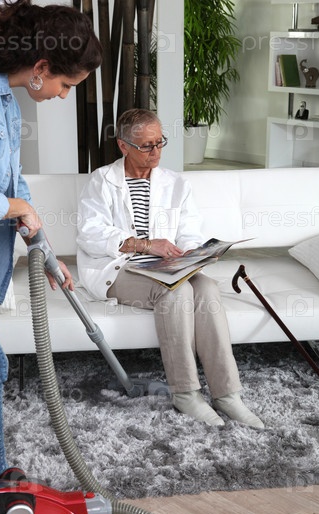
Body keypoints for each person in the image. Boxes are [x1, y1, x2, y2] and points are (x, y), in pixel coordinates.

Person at [0, 0, 102, 477]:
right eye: (67, 85)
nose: (64, 96)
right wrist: (21, 209)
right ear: (41, 68)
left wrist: (47, 255)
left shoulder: (2, 96)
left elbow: (13, 186)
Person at [77, 108, 264, 429]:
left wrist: (193, 252)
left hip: (165, 266)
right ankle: (186, 392)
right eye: (146, 146)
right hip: (119, 268)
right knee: (174, 292)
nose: (156, 152)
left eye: (160, 142)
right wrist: (145, 245)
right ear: (123, 146)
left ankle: (226, 393)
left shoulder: (175, 183)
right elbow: (90, 234)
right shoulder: (101, 181)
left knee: (206, 287)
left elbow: (189, 230)